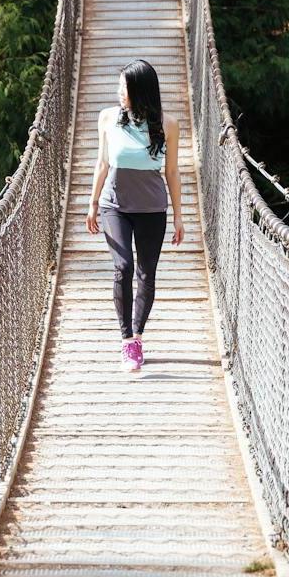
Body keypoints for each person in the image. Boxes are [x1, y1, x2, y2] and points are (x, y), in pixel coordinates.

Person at [85, 60, 184, 373]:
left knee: (146, 273)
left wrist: (180, 217)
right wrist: (92, 203)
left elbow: (171, 172)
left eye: (123, 88)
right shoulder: (107, 118)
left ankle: (137, 337)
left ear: (140, 92)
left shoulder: (167, 125)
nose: (118, 93)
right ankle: (126, 339)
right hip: (114, 205)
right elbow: (102, 164)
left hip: (152, 209)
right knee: (123, 266)